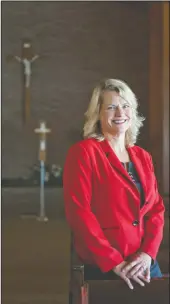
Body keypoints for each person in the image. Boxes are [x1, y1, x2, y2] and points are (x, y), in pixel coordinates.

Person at [63, 79, 165, 290]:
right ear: (97, 114)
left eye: (125, 106)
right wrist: (113, 261)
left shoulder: (142, 156)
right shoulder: (84, 153)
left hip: (142, 263)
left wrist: (148, 254)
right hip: (104, 264)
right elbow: (79, 212)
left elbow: (155, 209)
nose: (120, 113)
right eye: (111, 107)